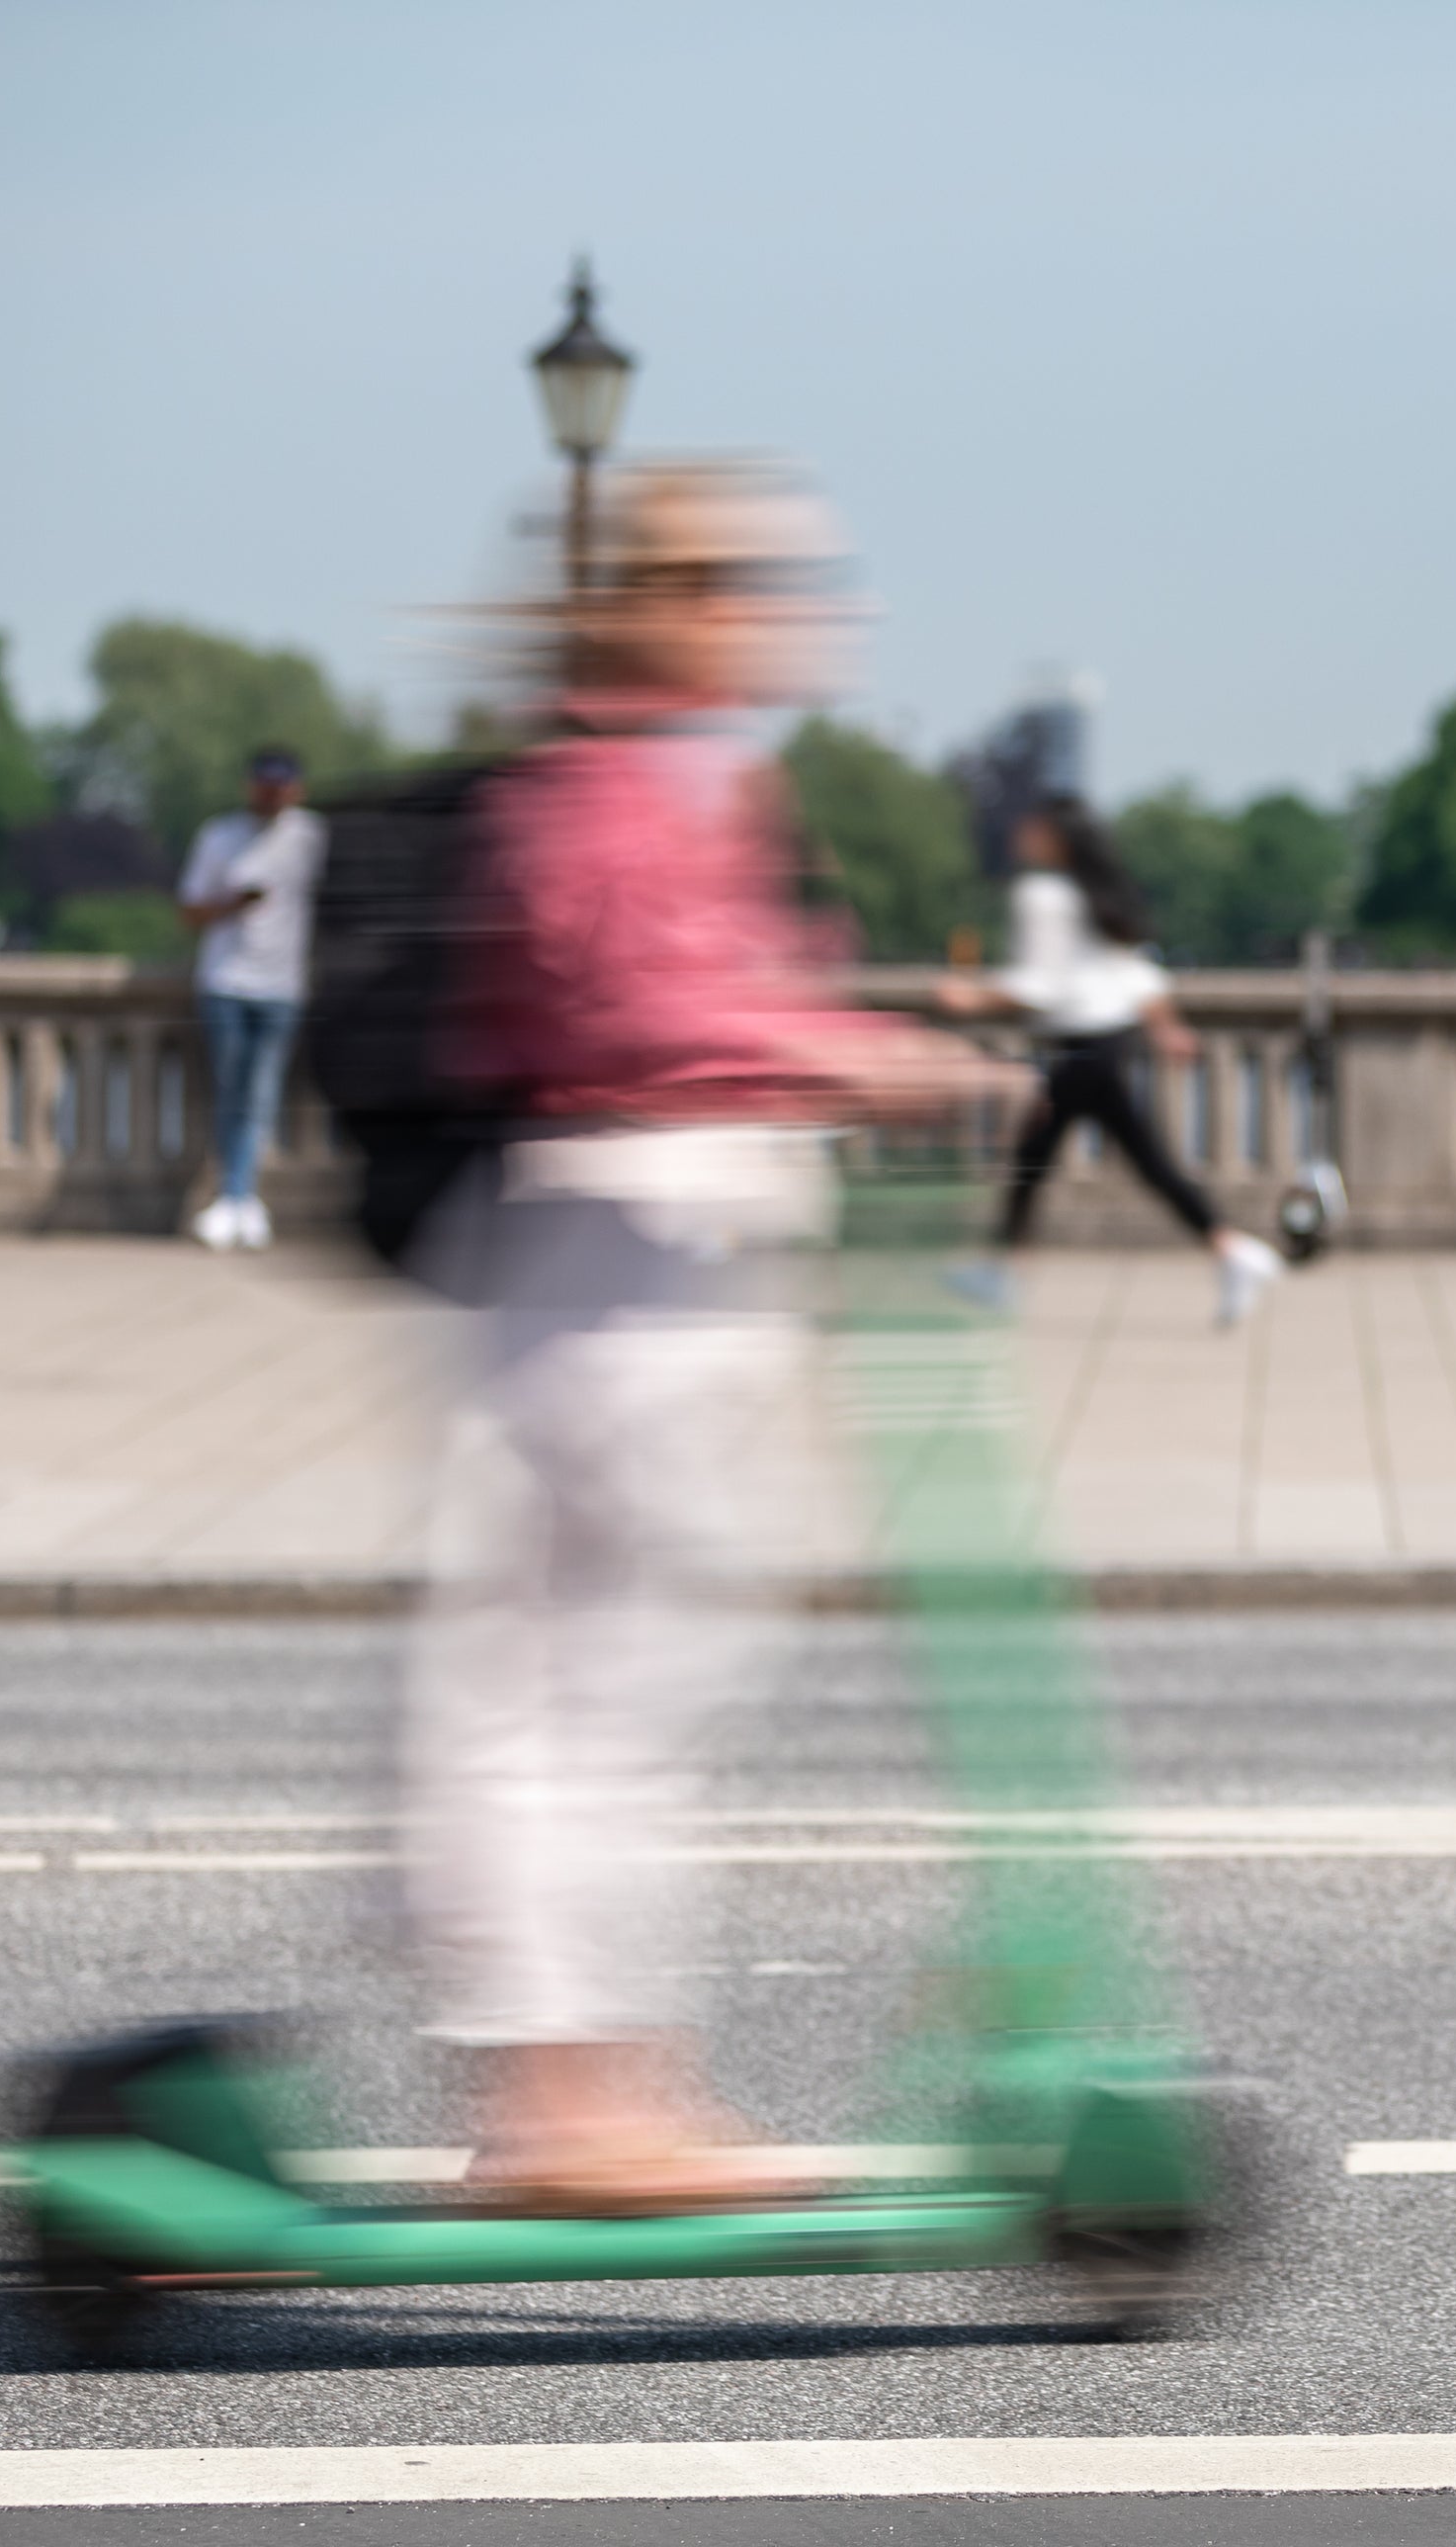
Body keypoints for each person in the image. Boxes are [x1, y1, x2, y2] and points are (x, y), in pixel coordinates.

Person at [404, 458, 1017, 2213]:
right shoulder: (613, 786)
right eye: (774, 582)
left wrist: (845, 1035)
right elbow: (634, 1001)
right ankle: (572, 2100)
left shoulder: (630, 775)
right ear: (687, 601)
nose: (809, 615)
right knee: (615, 1671)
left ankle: (586, 2082)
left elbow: (656, 988)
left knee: (587, 1668)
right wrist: (851, 1055)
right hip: (630, 1259)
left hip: (630, 1256)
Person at [944, 796, 1284, 1328]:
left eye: (1029, 823)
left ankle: (1006, 1271)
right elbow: (1136, 974)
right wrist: (1166, 1028)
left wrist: (974, 998)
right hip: (1109, 1043)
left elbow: (1042, 985)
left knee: (1036, 1157)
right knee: (1142, 1160)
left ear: (1053, 834)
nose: (1020, 831)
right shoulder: (1094, 893)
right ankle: (1231, 1249)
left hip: (1085, 1046)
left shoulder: (1044, 894)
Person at [175, 747, 324, 1251]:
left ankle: (240, 1197)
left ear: (296, 790)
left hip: (283, 985)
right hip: (226, 983)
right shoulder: (220, 838)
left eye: (282, 785)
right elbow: (189, 911)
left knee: (259, 1096)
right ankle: (236, 1198)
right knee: (231, 1091)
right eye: (265, 784)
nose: (273, 794)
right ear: (250, 786)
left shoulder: (311, 838)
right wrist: (232, 906)